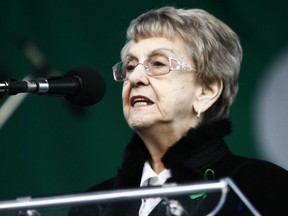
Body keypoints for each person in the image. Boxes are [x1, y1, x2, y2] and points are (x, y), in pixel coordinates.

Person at [69, 6, 288, 216]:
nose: (135, 78)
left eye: (158, 64)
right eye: (130, 66)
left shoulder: (259, 187)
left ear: (206, 91)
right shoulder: (93, 205)